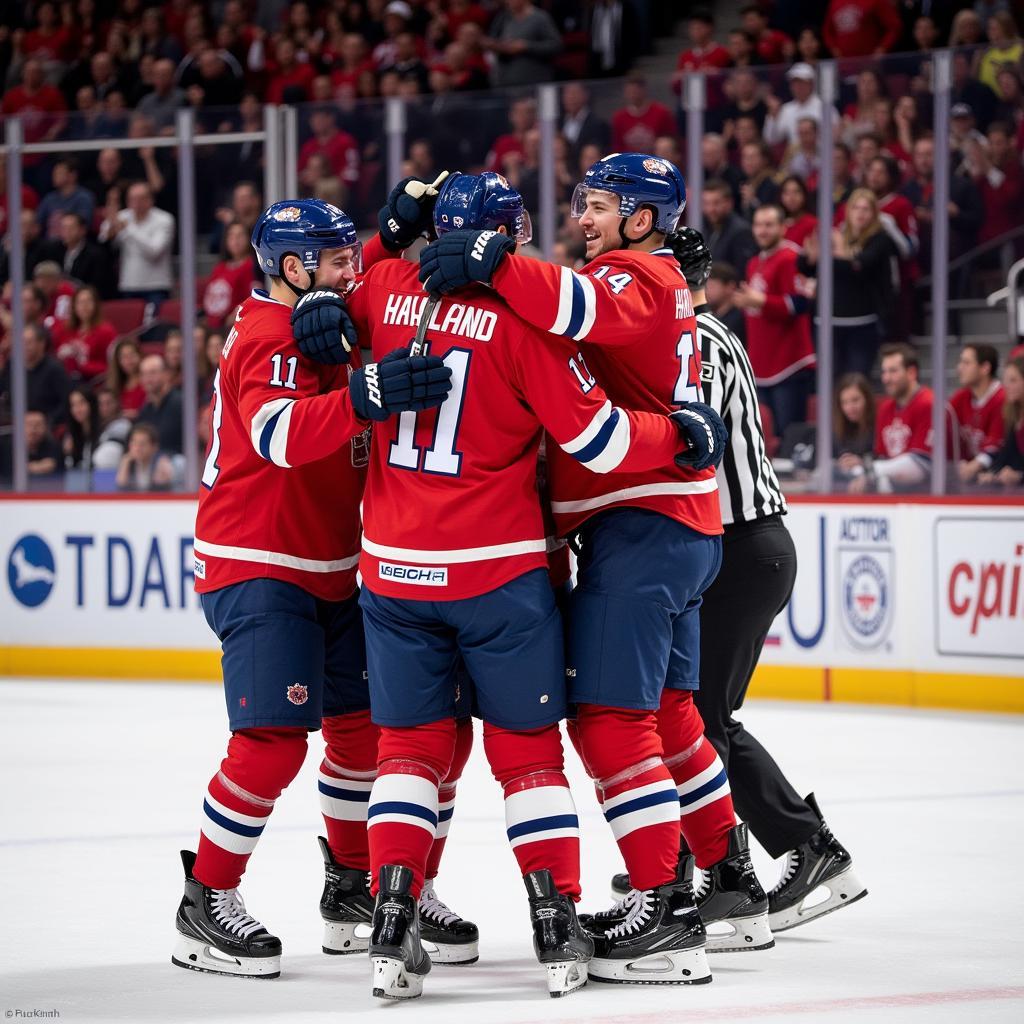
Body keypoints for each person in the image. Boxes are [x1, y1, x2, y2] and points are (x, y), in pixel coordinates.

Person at [301, 170, 719, 998]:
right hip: (503, 573)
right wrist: (677, 436)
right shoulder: (528, 323)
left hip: (394, 569)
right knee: (534, 754)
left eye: (596, 206)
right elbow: (597, 436)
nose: (576, 223)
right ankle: (561, 924)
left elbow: (327, 304)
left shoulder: (382, 287)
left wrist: (341, 282)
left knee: (410, 751)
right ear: (506, 237)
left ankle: (390, 919)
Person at [418, 154, 753, 987]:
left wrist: (491, 259)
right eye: (584, 203)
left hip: (639, 527)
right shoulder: (656, 274)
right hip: (676, 528)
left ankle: (664, 912)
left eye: (600, 206)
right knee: (672, 714)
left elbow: (568, 304)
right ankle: (732, 880)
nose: (585, 218)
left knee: (608, 722)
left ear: (643, 219)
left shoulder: (632, 275)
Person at [173, 198, 453, 980]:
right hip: (259, 562)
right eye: (336, 261)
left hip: (330, 566)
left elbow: (335, 292)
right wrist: (368, 394)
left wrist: (388, 237)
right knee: (269, 744)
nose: (353, 272)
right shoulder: (268, 333)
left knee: (362, 732)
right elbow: (278, 437)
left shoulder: (306, 306)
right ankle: (205, 899)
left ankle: (353, 888)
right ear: (293, 270)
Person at [615, 225, 866, 937]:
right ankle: (761, 853)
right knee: (703, 715)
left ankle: (744, 862)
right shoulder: (699, 332)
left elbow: (689, 442)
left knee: (700, 718)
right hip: (735, 547)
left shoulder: (699, 337)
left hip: (740, 547)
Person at [734, 204, 815, 436]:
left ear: (782, 228)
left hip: (789, 364)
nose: (762, 231)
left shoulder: (790, 258)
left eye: (769, 225)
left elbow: (801, 304)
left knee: (788, 436)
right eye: (758, 225)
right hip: (762, 364)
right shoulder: (754, 262)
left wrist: (761, 301)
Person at [800, 188, 897, 379]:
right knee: (829, 382)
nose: (860, 213)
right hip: (827, 323)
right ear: (848, 211)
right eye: (856, 208)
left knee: (856, 381)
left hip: (861, 325)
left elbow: (859, 267)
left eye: (866, 209)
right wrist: (810, 257)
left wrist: (838, 249)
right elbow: (810, 268)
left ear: (874, 213)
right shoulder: (837, 236)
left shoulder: (879, 239)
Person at [846, 343, 933, 493]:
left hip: (929, 497)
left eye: (893, 371)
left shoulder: (929, 404)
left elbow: (921, 466)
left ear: (911, 373)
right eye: (884, 372)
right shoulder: (885, 408)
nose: (886, 378)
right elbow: (883, 457)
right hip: (895, 495)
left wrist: (869, 471)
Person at [99, 182, 175, 306]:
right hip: (128, 285)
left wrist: (128, 230)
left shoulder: (164, 220)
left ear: (150, 200)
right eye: (131, 199)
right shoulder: (124, 215)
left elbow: (154, 251)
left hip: (155, 286)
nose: (135, 203)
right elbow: (104, 237)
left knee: (155, 324)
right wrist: (112, 215)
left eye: (140, 199)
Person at [950, 344, 1005, 483]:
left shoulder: (1002, 398)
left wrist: (971, 467)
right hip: (973, 476)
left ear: (985, 368)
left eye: (966, 363)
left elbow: (996, 447)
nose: (959, 368)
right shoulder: (961, 397)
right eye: (960, 362)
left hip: (998, 477)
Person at [51, 285, 117, 383]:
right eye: (80, 302)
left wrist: (82, 365)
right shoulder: (64, 329)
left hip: (92, 383)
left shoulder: (106, 332)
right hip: (63, 381)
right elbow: (52, 356)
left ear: (96, 305)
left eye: (88, 301)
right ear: (74, 306)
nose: (84, 306)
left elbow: (110, 368)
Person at [763, 63, 839, 148]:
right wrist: (773, 117)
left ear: (811, 84)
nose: (798, 87)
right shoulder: (787, 109)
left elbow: (835, 138)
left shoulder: (825, 108)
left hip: (820, 155)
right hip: (796, 158)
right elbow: (771, 140)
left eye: (802, 82)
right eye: (794, 83)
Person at [203, 221, 260, 329]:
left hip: (236, 326)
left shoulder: (252, 266)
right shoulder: (219, 268)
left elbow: (254, 298)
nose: (235, 240)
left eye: (240, 235)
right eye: (231, 235)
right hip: (213, 325)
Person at [978, 356, 1024, 488]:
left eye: (1013, 380)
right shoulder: (1013, 415)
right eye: (1005, 380)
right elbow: (1006, 455)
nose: (1007, 386)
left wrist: (1019, 476)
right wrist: (992, 473)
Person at [702, 178, 757, 273]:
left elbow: (740, 272)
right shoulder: (707, 228)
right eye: (707, 203)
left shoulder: (741, 232)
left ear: (729, 203)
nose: (711, 209)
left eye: (716, 203)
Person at [136, 354, 184, 455]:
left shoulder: (180, 404)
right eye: (144, 374)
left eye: (152, 373)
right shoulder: (145, 410)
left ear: (166, 374)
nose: (148, 379)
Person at [834, 372, 877, 475]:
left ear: (867, 399)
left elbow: (884, 459)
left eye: (855, 400)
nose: (850, 408)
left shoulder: (879, 426)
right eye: (845, 402)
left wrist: (862, 463)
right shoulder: (838, 428)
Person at [115, 421, 174, 492]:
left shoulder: (161, 462)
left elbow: (161, 491)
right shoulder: (128, 462)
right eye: (134, 443)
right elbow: (121, 489)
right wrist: (125, 464)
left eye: (142, 444)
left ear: (154, 447)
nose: (137, 448)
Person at [63, 386, 102, 473]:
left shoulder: (103, 431)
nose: (77, 409)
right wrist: (68, 453)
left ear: (91, 403)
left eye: (82, 403)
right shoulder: (71, 435)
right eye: (73, 405)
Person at [705, 262, 746, 344]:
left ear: (730, 287)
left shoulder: (740, 321)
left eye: (712, 286)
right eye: (705, 286)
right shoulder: (711, 317)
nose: (706, 291)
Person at [108, 338, 145, 418]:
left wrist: (137, 414)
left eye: (132, 355)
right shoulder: (116, 384)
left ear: (139, 355)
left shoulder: (147, 380)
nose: (129, 360)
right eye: (124, 357)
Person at [25, 408, 62, 480]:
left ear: (45, 427)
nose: (33, 429)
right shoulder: (10, 447)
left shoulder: (54, 446)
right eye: (29, 424)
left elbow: (50, 465)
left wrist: (26, 467)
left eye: (38, 425)